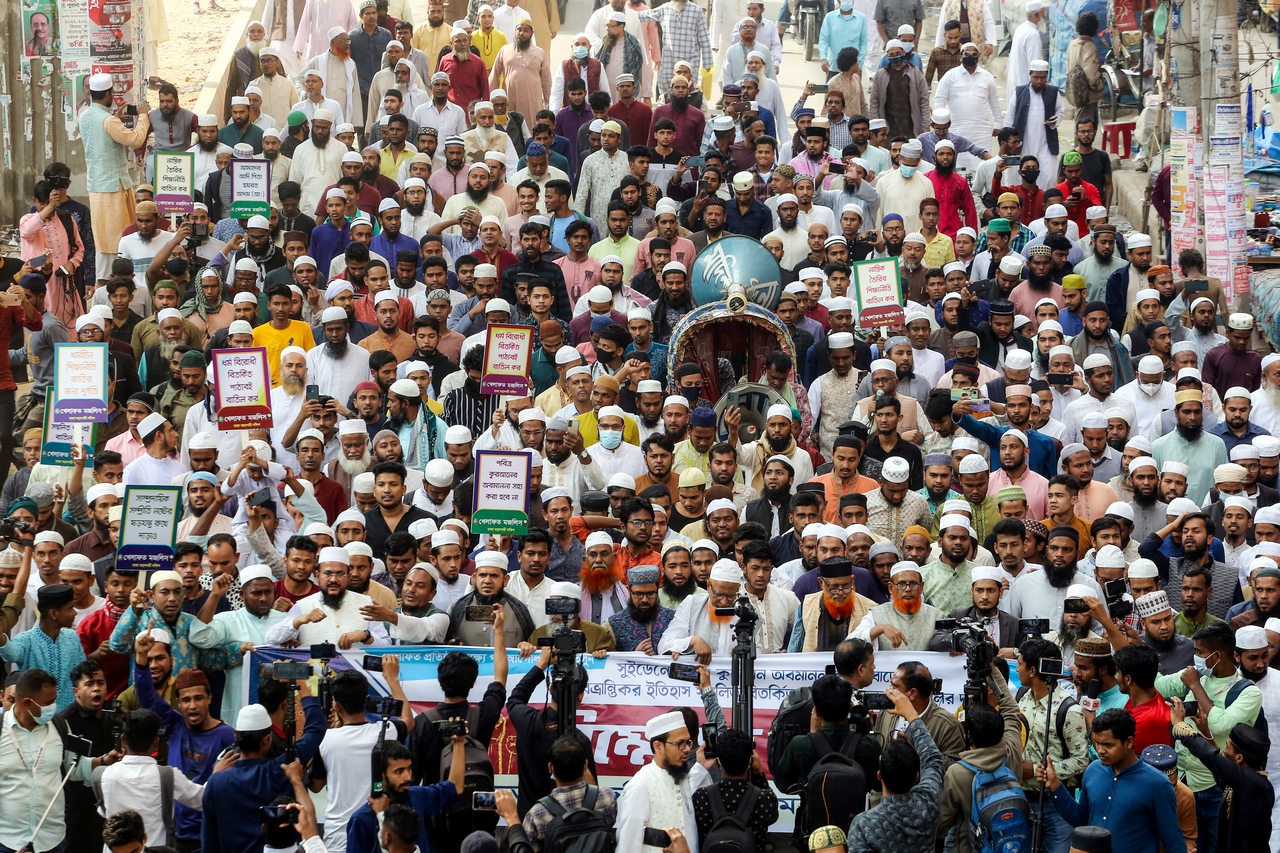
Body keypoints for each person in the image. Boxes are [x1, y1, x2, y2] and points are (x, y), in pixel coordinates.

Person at [1040, 708, 1188, 853]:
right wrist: (1055, 785)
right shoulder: (1093, 771)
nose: (1100, 751)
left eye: (1108, 745)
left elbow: (1173, 842)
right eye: (1097, 743)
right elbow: (1081, 820)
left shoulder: (1157, 784)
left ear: (1128, 742)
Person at [845, 686, 944, 853]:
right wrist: (911, 715)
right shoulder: (929, 803)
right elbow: (933, 759)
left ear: (879, 775)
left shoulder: (864, 824)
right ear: (917, 776)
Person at [615, 710, 704, 853]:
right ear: (658, 746)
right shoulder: (641, 785)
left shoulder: (679, 775)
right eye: (680, 743)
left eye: (688, 742)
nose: (687, 749)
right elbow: (628, 844)